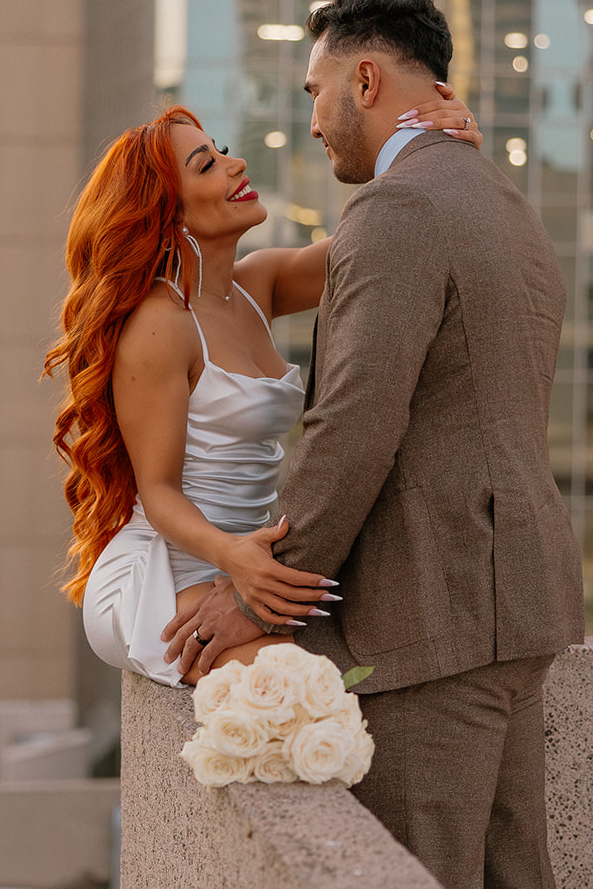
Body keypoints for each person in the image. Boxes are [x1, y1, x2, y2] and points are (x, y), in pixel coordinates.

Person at [163, 0, 585, 889]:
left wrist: (262, 593)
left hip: (431, 612)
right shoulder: (502, 199)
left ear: (362, 79)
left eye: (314, 91)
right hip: (515, 605)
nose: (311, 121)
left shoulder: (399, 211)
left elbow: (354, 425)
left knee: (419, 872)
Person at [46, 89, 480, 687]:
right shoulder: (159, 325)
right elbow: (159, 490)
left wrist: (447, 154)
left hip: (249, 566)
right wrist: (235, 560)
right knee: (298, 687)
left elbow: (390, 238)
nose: (236, 163)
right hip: (166, 573)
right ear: (166, 214)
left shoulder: (260, 283)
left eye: (220, 151)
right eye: (206, 164)